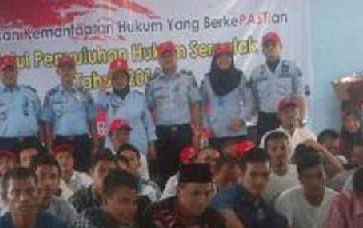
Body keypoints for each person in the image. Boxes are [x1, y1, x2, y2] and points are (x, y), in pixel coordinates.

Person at [146, 41, 201, 186]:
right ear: (159, 59)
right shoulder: (152, 83)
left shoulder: (187, 79)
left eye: (170, 55)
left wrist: (197, 133)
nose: (167, 59)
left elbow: (195, 106)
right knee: (165, 175)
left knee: (188, 172)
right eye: (164, 56)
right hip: (162, 133)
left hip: (184, 131)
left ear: (176, 56)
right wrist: (151, 139)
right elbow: (148, 111)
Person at [96, 59, 156, 173]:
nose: (119, 81)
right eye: (115, 78)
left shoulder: (139, 98)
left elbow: (149, 124)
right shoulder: (106, 99)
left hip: (138, 147)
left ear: (128, 78)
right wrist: (107, 78)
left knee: (139, 177)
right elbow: (98, 103)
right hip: (115, 149)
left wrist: (152, 145)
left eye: (122, 77)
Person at [42, 55, 97, 172]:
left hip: (82, 141)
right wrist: (49, 147)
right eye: (63, 69)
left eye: (70, 69)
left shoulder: (85, 93)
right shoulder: (51, 95)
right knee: (61, 174)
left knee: (84, 174)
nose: (66, 72)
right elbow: (48, 123)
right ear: (58, 72)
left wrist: (96, 145)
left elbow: (92, 120)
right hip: (61, 141)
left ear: (75, 71)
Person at [248, 33, 307, 141]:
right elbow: (254, 100)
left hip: (288, 116)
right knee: (265, 146)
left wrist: (301, 119)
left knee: (290, 145)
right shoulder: (256, 73)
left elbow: (299, 95)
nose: (270, 48)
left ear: (280, 47)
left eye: (274, 45)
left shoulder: (292, 69)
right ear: (263, 50)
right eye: (267, 46)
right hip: (265, 118)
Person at [0, 55, 42, 153]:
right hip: (5, 144)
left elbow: (40, 121)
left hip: (30, 142)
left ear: (17, 72)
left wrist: (40, 142)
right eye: (4, 71)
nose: (9, 74)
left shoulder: (30, 93)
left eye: (11, 70)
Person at [200, 42, 251, 146]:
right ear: (215, 59)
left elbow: (250, 101)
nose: (224, 59)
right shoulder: (207, 79)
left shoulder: (240, 76)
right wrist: (206, 126)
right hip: (215, 132)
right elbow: (201, 105)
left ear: (231, 58)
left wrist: (242, 119)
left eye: (227, 56)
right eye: (220, 56)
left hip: (237, 131)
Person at [32, 154, 77, 224]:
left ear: (59, 182)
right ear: (31, 180)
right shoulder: (21, 209)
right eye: (42, 176)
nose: (48, 182)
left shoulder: (65, 209)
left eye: (53, 177)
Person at [262, 130, 299, 203]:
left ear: (289, 150)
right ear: (267, 153)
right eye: (274, 149)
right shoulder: (263, 179)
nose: (279, 153)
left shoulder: (299, 171)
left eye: (283, 148)